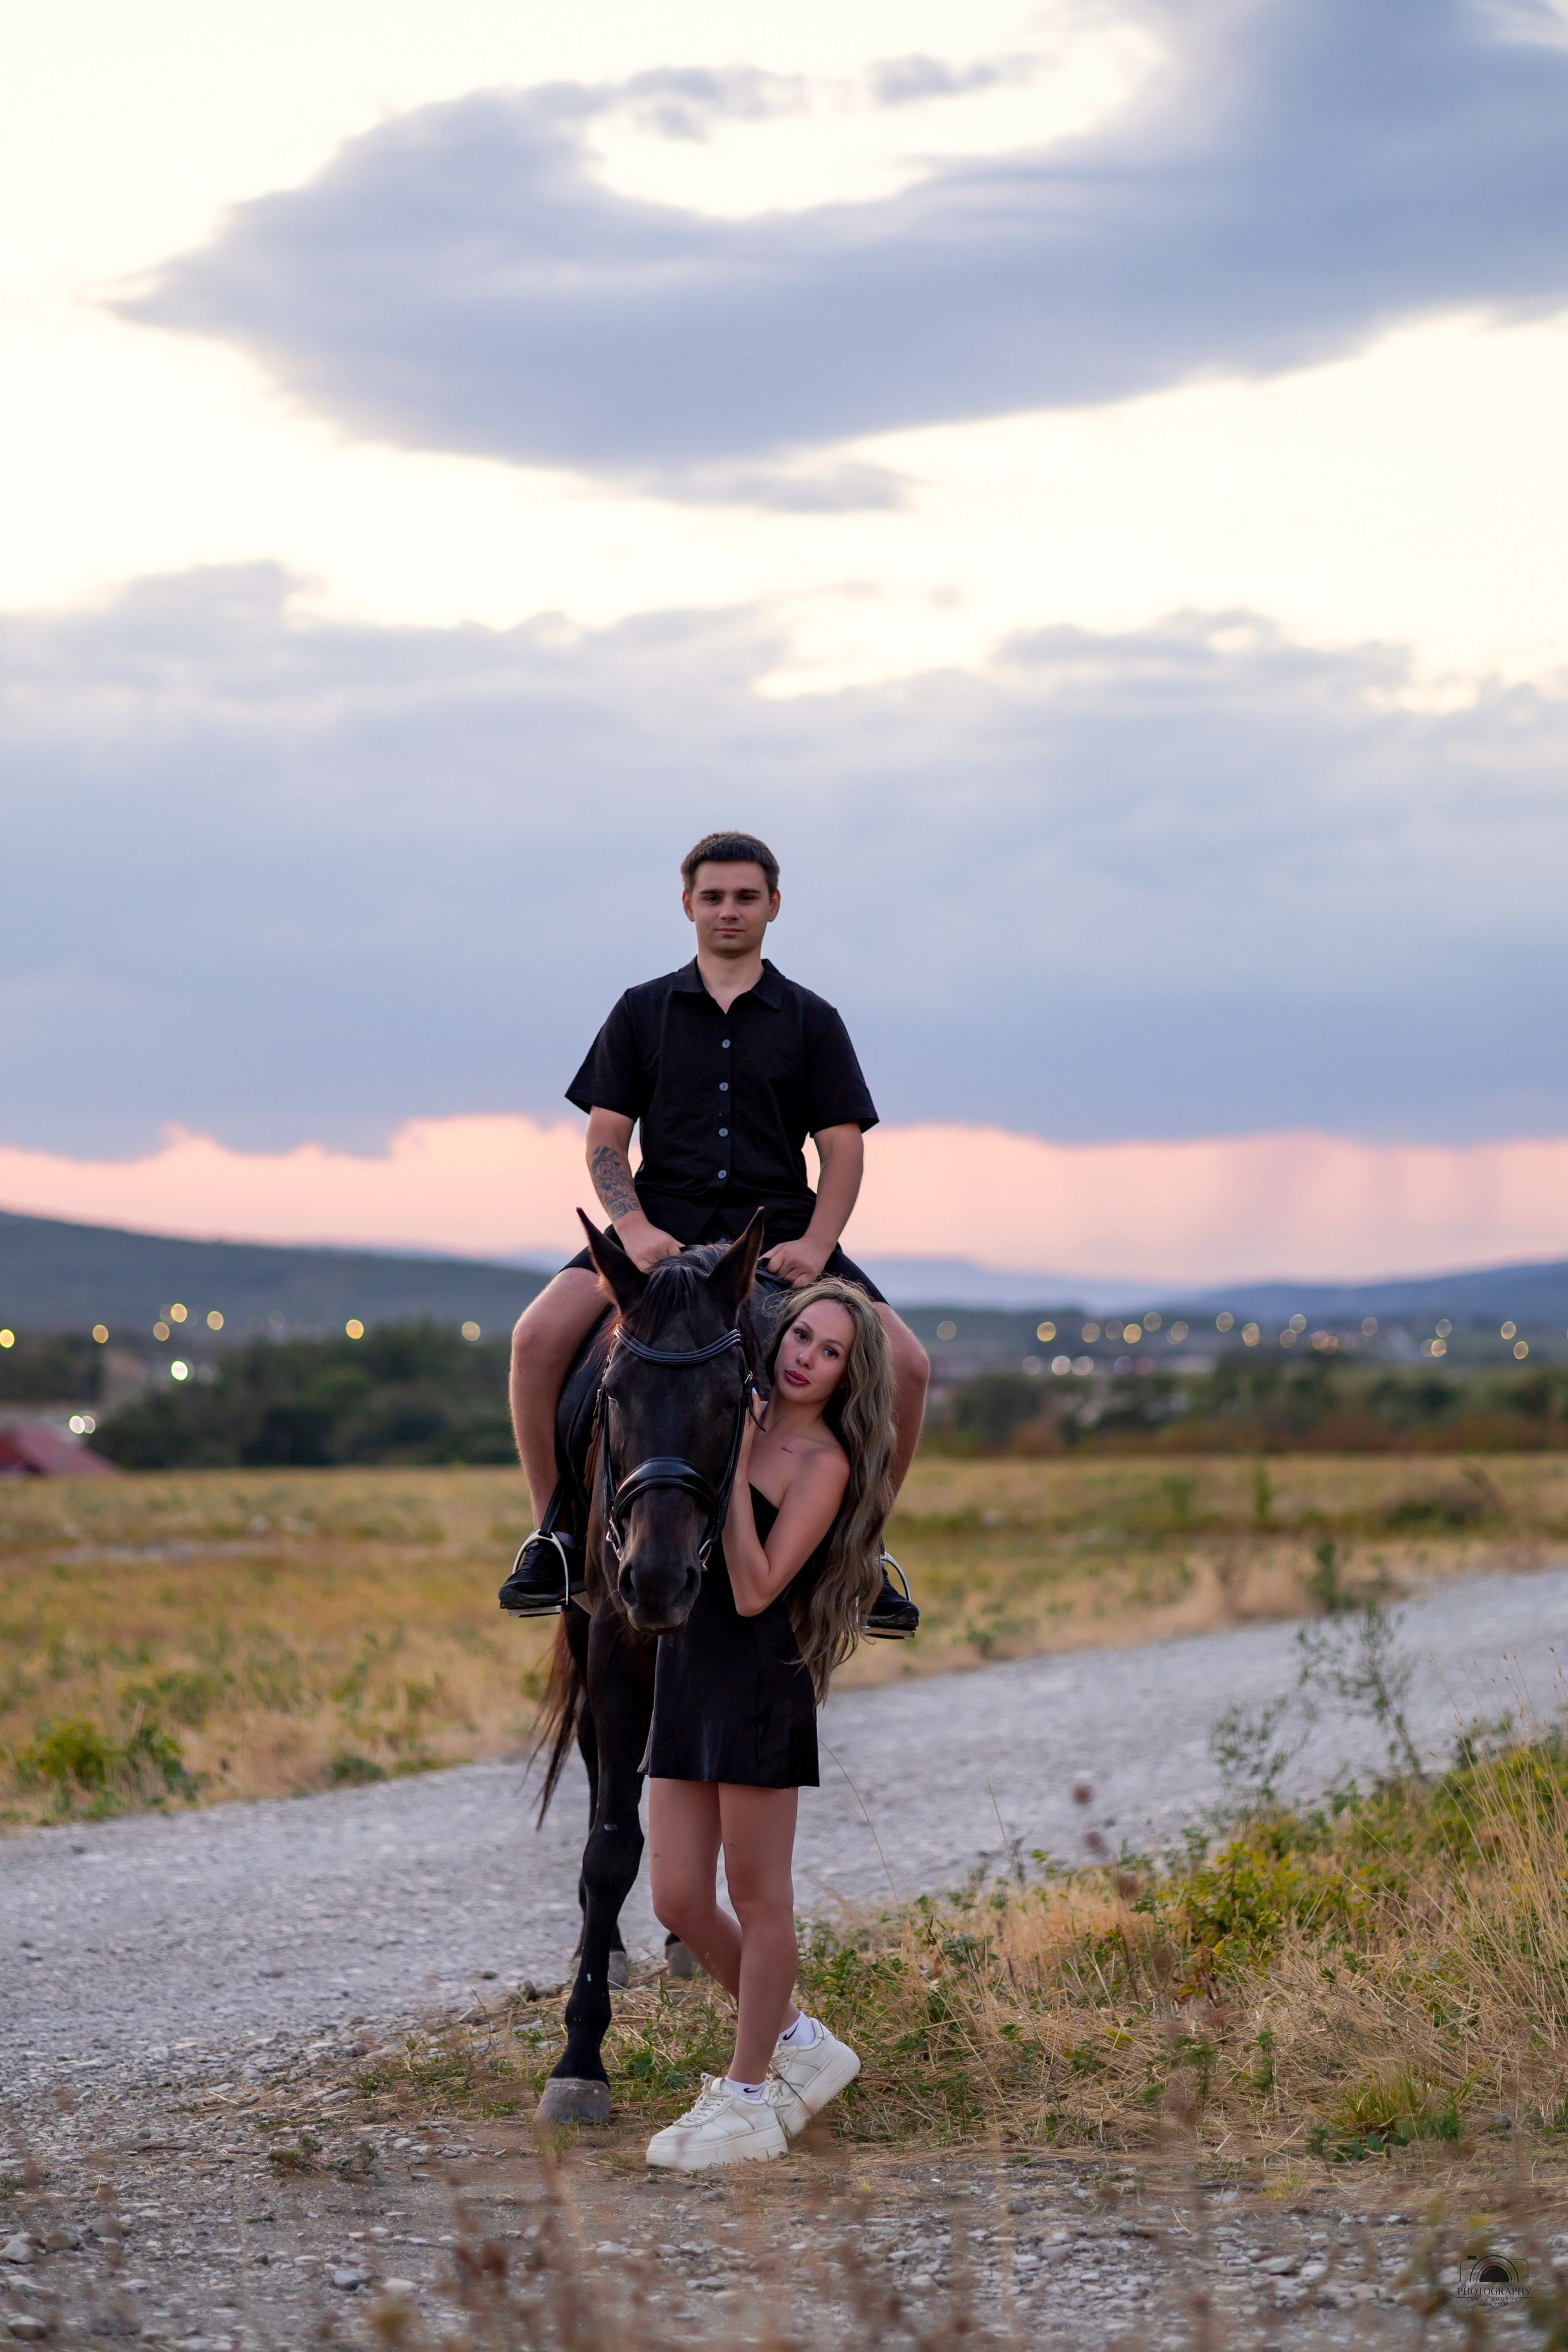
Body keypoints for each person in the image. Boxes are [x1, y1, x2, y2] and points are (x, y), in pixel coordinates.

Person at [500, 829, 927, 1626]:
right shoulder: (641, 1010)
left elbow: (842, 1148)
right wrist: (632, 1229)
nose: (729, 910)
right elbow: (605, 1137)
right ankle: (553, 1535)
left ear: (774, 906)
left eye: (746, 897)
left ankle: (865, 1554)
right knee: (536, 1337)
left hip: (784, 1230)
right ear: (688, 905)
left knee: (908, 1365)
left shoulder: (813, 1019)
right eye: (714, 897)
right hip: (659, 1222)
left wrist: (815, 1245)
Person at [643, 1277, 891, 2168]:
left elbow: (753, 1589)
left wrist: (739, 1461)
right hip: (685, 1665)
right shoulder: (725, 1411)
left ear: (847, 1376)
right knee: (676, 1898)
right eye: (802, 1337)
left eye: (831, 1353)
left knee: (758, 1896)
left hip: (756, 1677)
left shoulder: (822, 1464)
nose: (806, 1358)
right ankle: (801, 2042)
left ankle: (747, 2099)